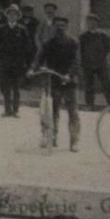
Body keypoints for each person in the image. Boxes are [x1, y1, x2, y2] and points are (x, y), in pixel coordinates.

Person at [31, 15, 83, 151]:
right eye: (57, 26)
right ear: (53, 27)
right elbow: (39, 57)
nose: (60, 28)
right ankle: (52, 136)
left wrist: (69, 75)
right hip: (54, 81)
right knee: (53, 111)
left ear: (67, 27)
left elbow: (77, 62)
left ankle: (74, 141)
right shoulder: (49, 43)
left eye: (63, 26)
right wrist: (32, 69)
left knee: (73, 112)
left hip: (70, 82)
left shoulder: (74, 43)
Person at [0, 3, 35, 117]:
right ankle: (7, 110)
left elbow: (28, 46)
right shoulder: (1, 29)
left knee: (16, 88)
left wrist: (23, 59)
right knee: (6, 88)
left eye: (14, 14)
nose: (12, 16)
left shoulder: (22, 29)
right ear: (7, 16)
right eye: (10, 14)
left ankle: (15, 110)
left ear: (18, 16)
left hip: (18, 63)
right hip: (5, 62)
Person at [78, 13, 110, 110]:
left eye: (93, 21)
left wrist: (100, 58)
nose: (91, 24)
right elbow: (81, 50)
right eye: (89, 21)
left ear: (97, 23)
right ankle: (89, 105)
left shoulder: (103, 35)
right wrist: (84, 61)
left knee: (106, 84)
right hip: (87, 64)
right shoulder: (83, 36)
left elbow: (107, 48)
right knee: (88, 85)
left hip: (100, 64)